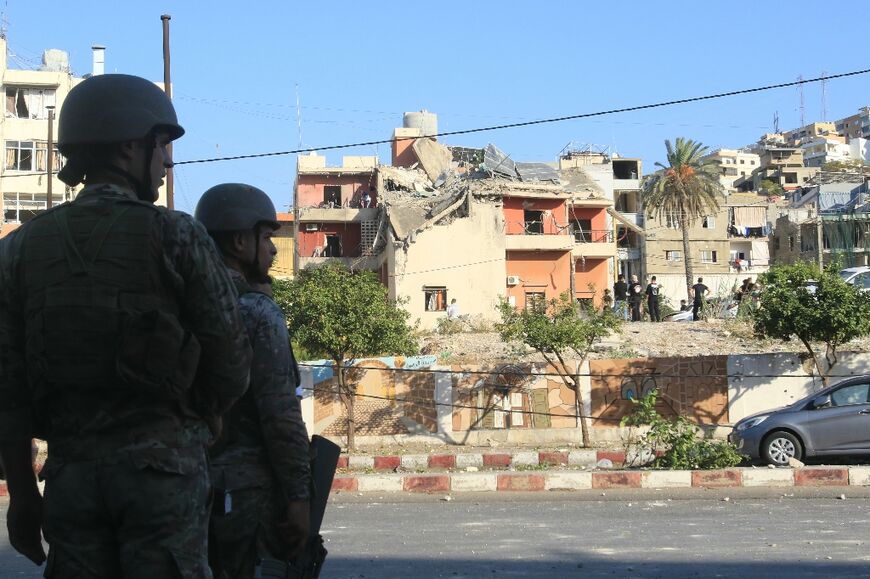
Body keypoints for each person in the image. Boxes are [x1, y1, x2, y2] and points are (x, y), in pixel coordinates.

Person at [0, 74, 252, 577]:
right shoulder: (175, 233)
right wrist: (208, 413)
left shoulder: (20, 248)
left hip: (71, 481)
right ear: (128, 147)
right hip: (163, 477)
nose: (167, 161)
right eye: (161, 146)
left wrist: (23, 495)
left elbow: (8, 387)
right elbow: (231, 360)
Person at [196, 184, 312, 579]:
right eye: (266, 238)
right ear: (240, 241)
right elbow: (280, 415)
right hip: (247, 499)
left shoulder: (185, 304)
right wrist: (299, 497)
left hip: (189, 491)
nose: (274, 249)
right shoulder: (258, 313)